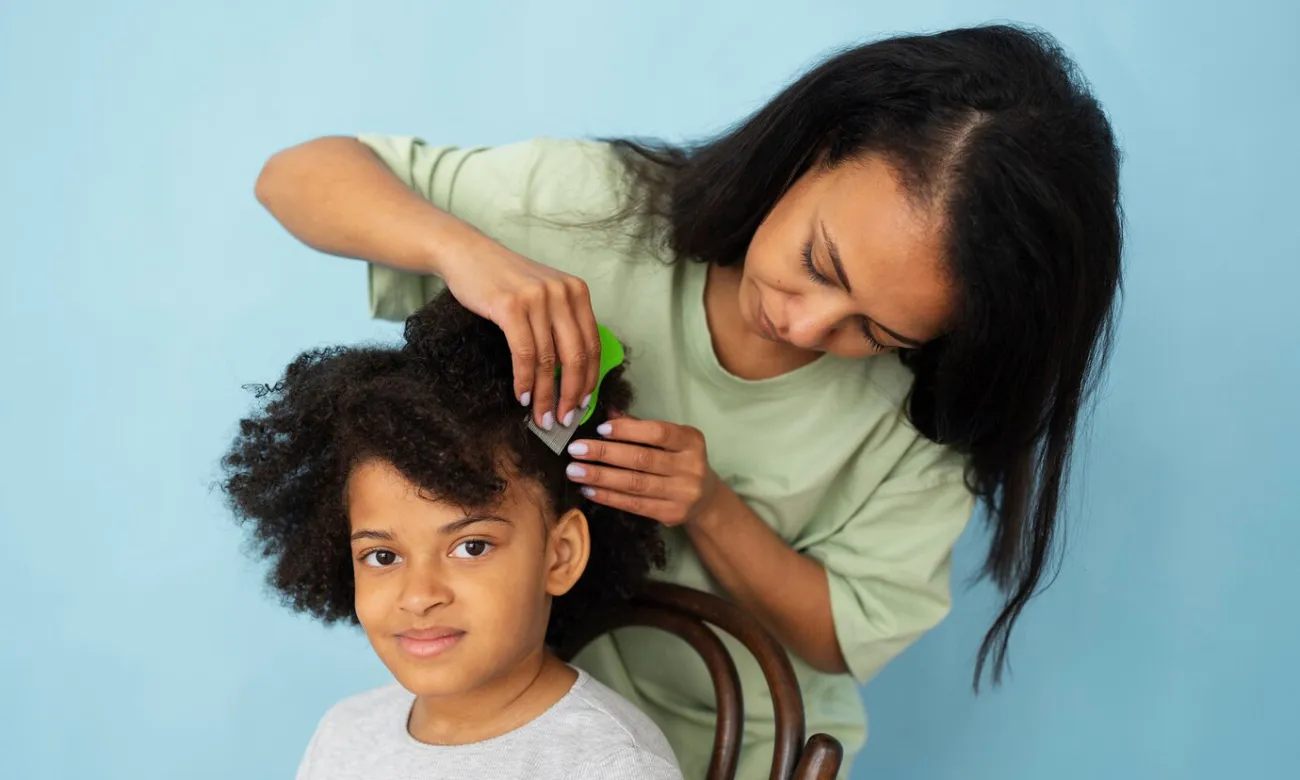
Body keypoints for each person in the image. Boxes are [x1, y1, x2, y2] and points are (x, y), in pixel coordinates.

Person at [253, 22, 1123, 778]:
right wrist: (460, 252)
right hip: (500, 727)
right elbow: (296, 176)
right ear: (814, 150)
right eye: (820, 264)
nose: (806, 323)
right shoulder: (591, 211)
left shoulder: (914, 419)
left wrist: (708, 506)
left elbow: (842, 636)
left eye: (878, 333)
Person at [220, 293, 683, 780]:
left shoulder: (612, 765)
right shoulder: (345, 736)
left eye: (471, 547)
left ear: (560, 555)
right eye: (381, 555)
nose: (420, 597)